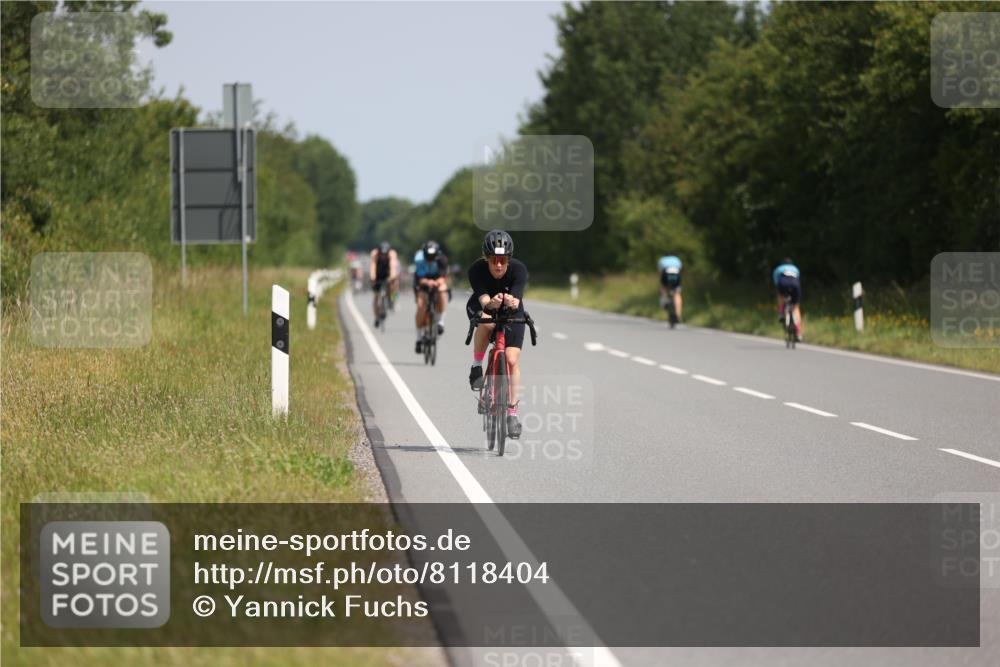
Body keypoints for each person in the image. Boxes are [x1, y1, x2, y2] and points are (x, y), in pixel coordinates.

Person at [467, 229, 527, 439]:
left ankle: (512, 412)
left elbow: (517, 300)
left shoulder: (519, 270)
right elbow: (483, 300)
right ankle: (476, 366)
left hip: (512, 311)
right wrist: (491, 303)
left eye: (502, 260)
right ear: (487, 259)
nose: (498, 265)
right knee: (487, 322)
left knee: (511, 360)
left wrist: (511, 301)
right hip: (484, 305)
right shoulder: (476, 270)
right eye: (494, 260)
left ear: (509, 260)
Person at [413, 240, 450, 354]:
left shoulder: (442, 260)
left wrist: (436, 282)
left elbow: (443, 276)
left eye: (432, 257)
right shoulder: (420, 260)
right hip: (422, 282)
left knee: (443, 290)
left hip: (437, 280)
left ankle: (440, 322)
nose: (430, 259)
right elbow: (420, 278)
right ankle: (419, 338)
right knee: (420, 306)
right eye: (428, 257)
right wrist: (427, 282)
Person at [369, 241, 398, 327]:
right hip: (378, 275)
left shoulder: (392, 254)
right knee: (375, 297)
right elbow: (373, 267)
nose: (383, 256)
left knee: (394, 285)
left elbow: (393, 267)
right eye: (382, 254)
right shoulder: (375, 254)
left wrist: (392, 277)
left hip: (388, 274)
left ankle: (392, 300)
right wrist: (373, 278)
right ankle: (377, 317)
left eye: (385, 254)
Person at [773, 257, 802, 342]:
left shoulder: (778, 269)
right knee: (796, 307)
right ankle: (798, 333)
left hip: (783, 282)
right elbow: (798, 279)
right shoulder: (795, 268)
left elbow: (776, 281)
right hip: (795, 284)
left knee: (780, 296)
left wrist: (780, 291)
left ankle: (781, 313)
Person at [657, 255, 683, 322]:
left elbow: (660, 271)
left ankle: (664, 300)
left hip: (666, 272)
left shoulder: (662, 259)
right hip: (676, 273)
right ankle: (678, 315)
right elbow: (680, 269)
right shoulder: (677, 259)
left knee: (663, 287)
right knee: (677, 293)